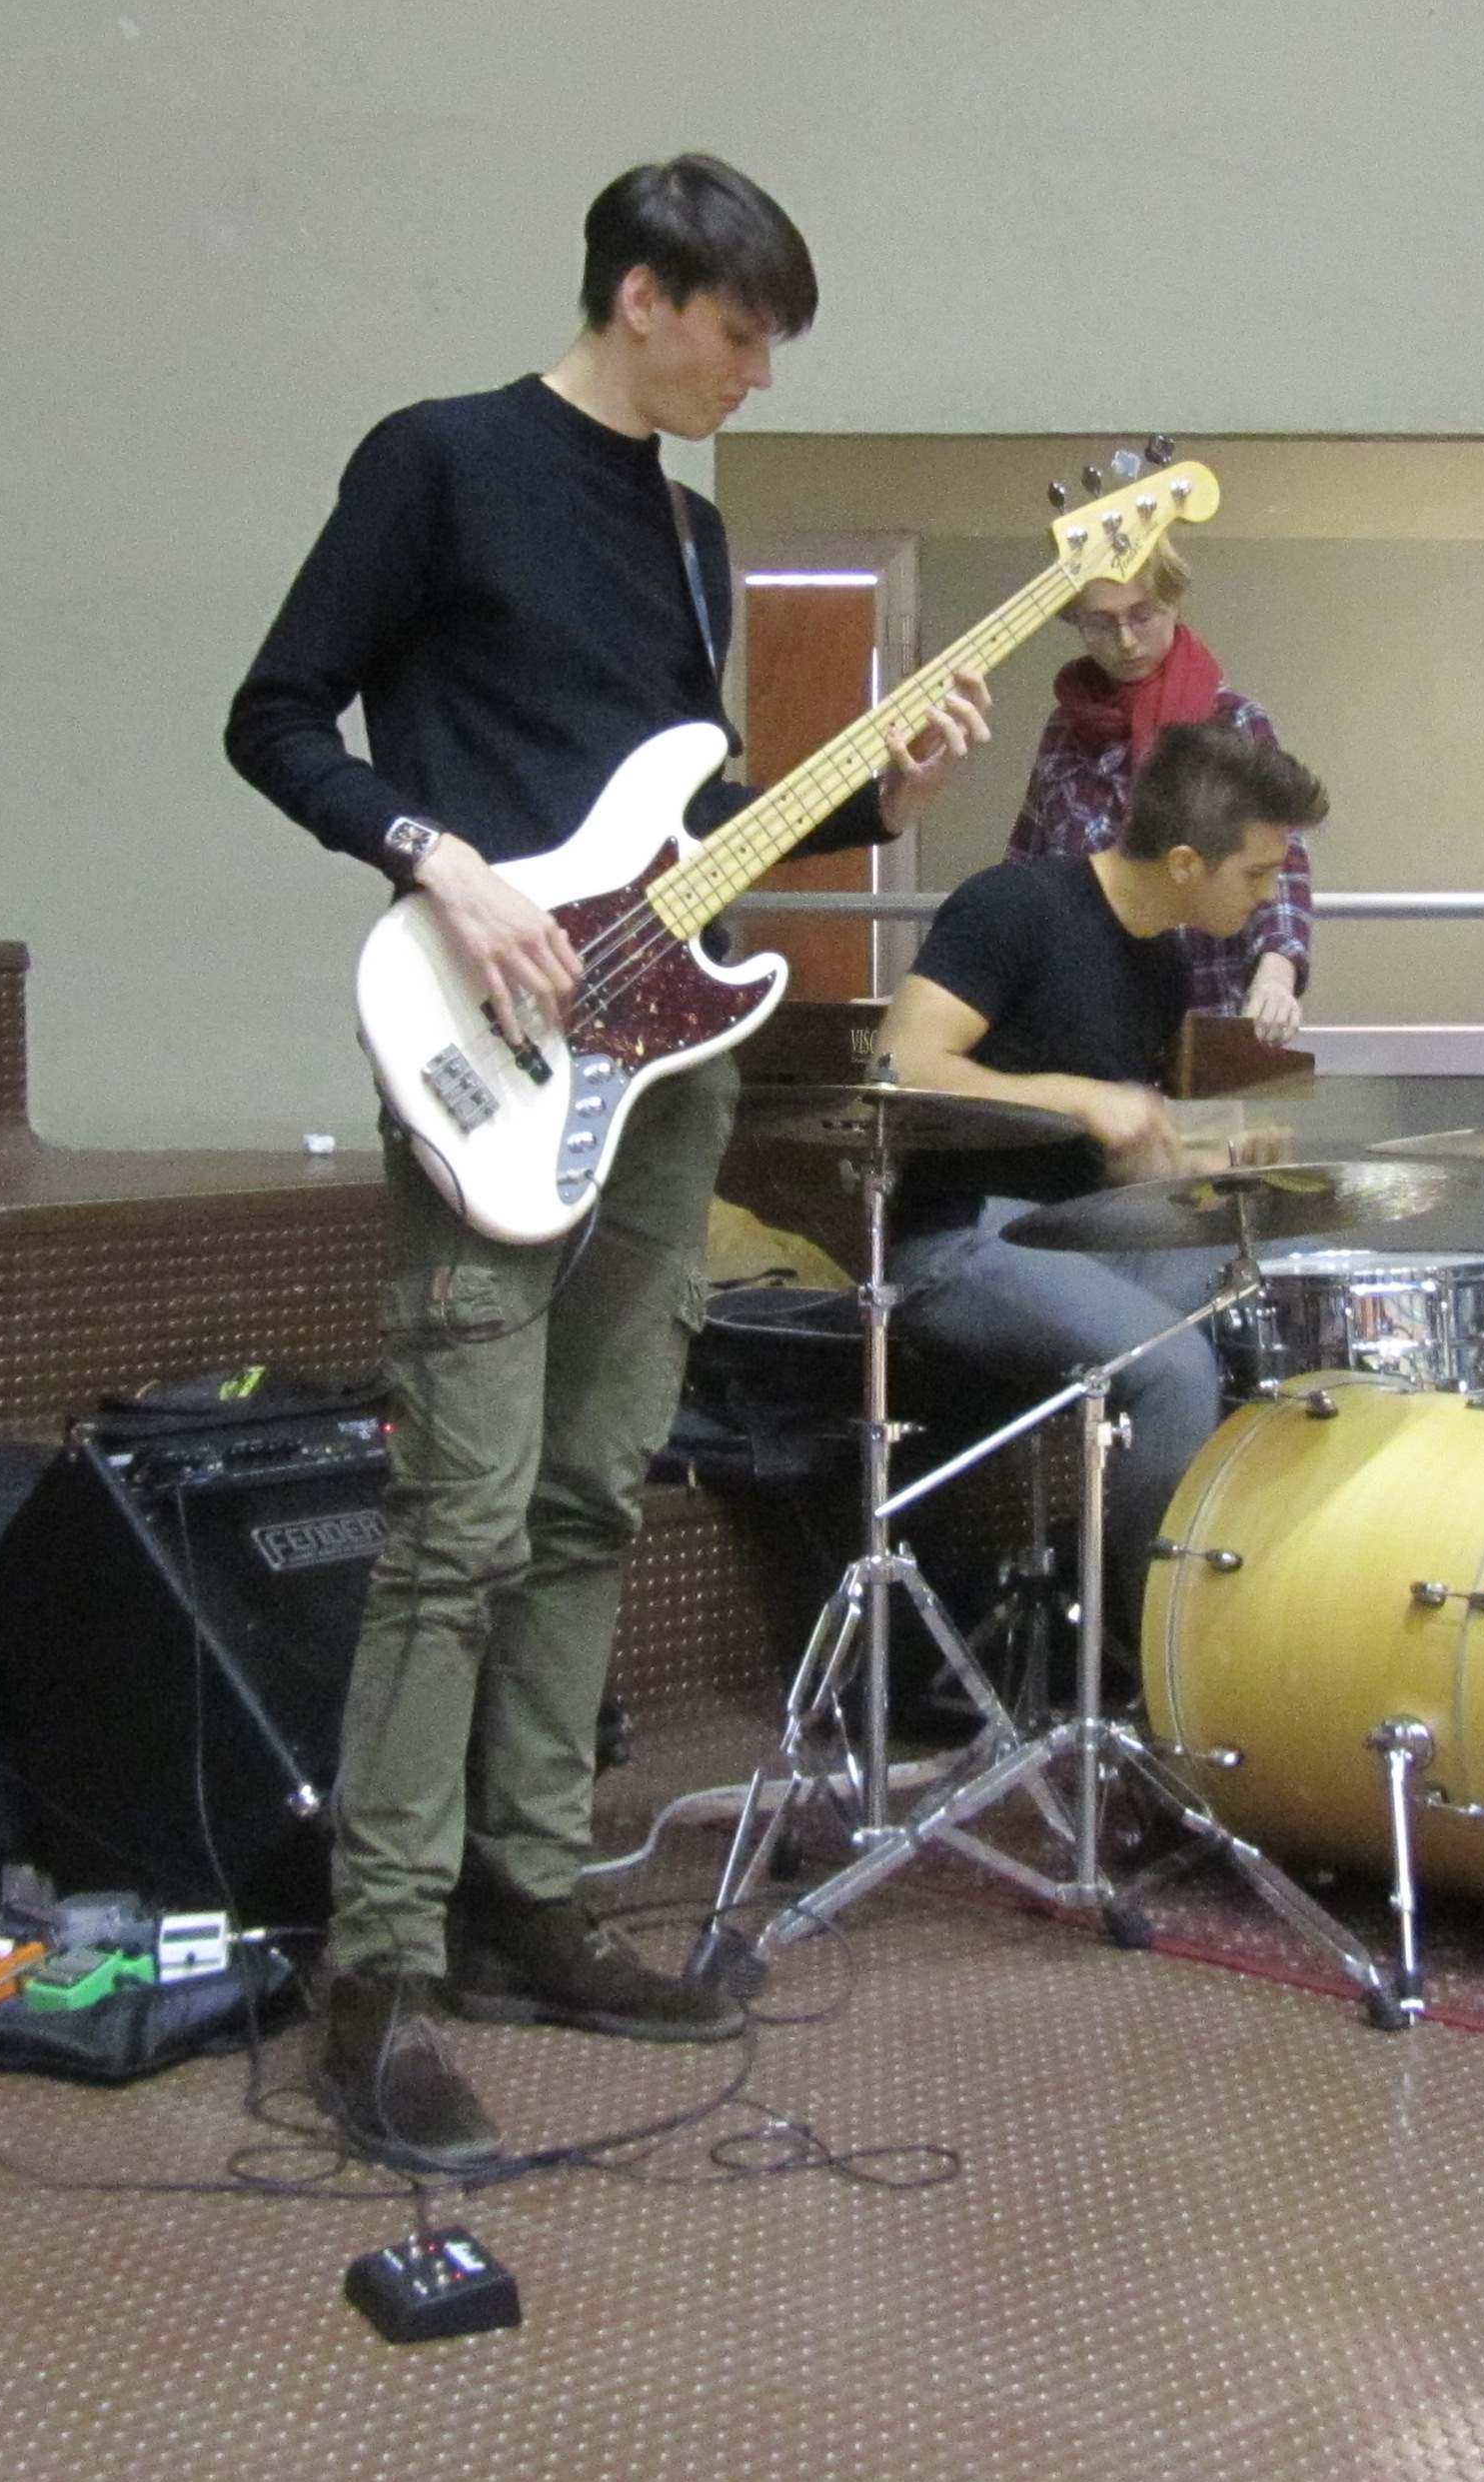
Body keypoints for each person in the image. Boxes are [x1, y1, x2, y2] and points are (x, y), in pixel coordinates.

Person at [225, 154, 991, 2171]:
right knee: (460, 1515)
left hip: (665, 1064)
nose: (758, 375)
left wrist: (874, 797)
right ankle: (378, 1976)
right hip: (480, 1039)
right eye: (740, 334)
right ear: (641, 295)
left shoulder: (690, 535)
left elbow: (695, 832)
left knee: (589, 1491)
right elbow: (276, 718)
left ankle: (526, 1901)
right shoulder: (440, 462)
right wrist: (439, 862)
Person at [880, 720, 1330, 1583]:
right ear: (1188, 863)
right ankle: (1149, 1630)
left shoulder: (1162, 963)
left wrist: (1201, 1169)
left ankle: (1270, 1593)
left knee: (1273, 1289)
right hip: (962, 1239)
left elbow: (1116, 1166)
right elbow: (899, 1065)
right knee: (1173, 1368)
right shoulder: (1014, 906)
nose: (1269, 895)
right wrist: (1077, 1095)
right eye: (1256, 874)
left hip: (1079, 1236)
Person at [1006, 541, 1314, 1044]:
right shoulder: (1065, 729)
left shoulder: (1233, 722)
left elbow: (1279, 860)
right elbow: (1027, 865)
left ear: (1173, 603)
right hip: (1084, 1007)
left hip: (1203, 1004)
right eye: (1100, 624)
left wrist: (1277, 971)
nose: (1126, 641)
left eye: (1142, 615)